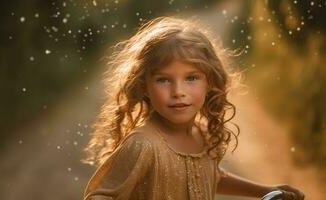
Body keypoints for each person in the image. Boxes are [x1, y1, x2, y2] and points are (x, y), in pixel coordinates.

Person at [82, 16, 305, 200]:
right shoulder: (142, 145)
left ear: (210, 81)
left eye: (191, 78)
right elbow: (100, 196)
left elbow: (209, 176)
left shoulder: (202, 134)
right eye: (163, 80)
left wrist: (265, 190)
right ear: (144, 86)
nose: (178, 91)